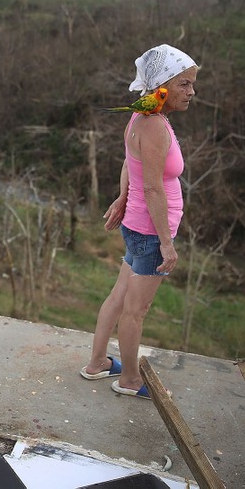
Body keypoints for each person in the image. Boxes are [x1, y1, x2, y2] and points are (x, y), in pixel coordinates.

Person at [80, 44, 198, 399]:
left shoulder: (140, 116)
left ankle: (97, 362)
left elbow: (129, 163)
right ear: (162, 84)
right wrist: (166, 243)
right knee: (135, 310)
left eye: (192, 84)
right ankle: (130, 380)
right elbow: (151, 186)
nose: (192, 92)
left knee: (119, 297)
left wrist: (121, 197)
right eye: (184, 84)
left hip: (137, 225)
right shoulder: (155, 126)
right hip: (149, 233)